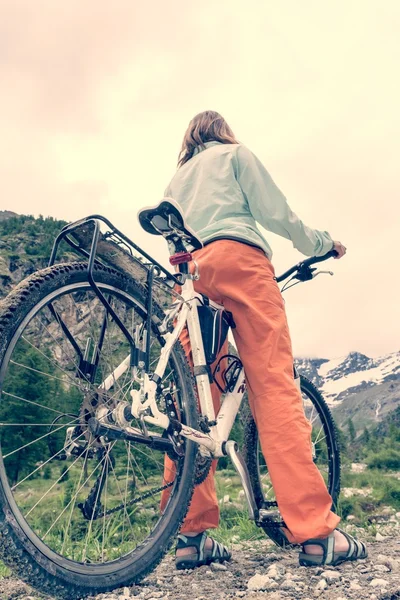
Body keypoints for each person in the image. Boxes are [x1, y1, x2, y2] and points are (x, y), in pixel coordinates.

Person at [160, 110, 367, 570]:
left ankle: (190, 536)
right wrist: (322, 243)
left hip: (191, 274)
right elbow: (278, 213)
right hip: (243, 263)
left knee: (194, 404)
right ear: (222, 132)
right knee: (273, 388)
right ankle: (315, 532)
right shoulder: (235, 156)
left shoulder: (176, 181)